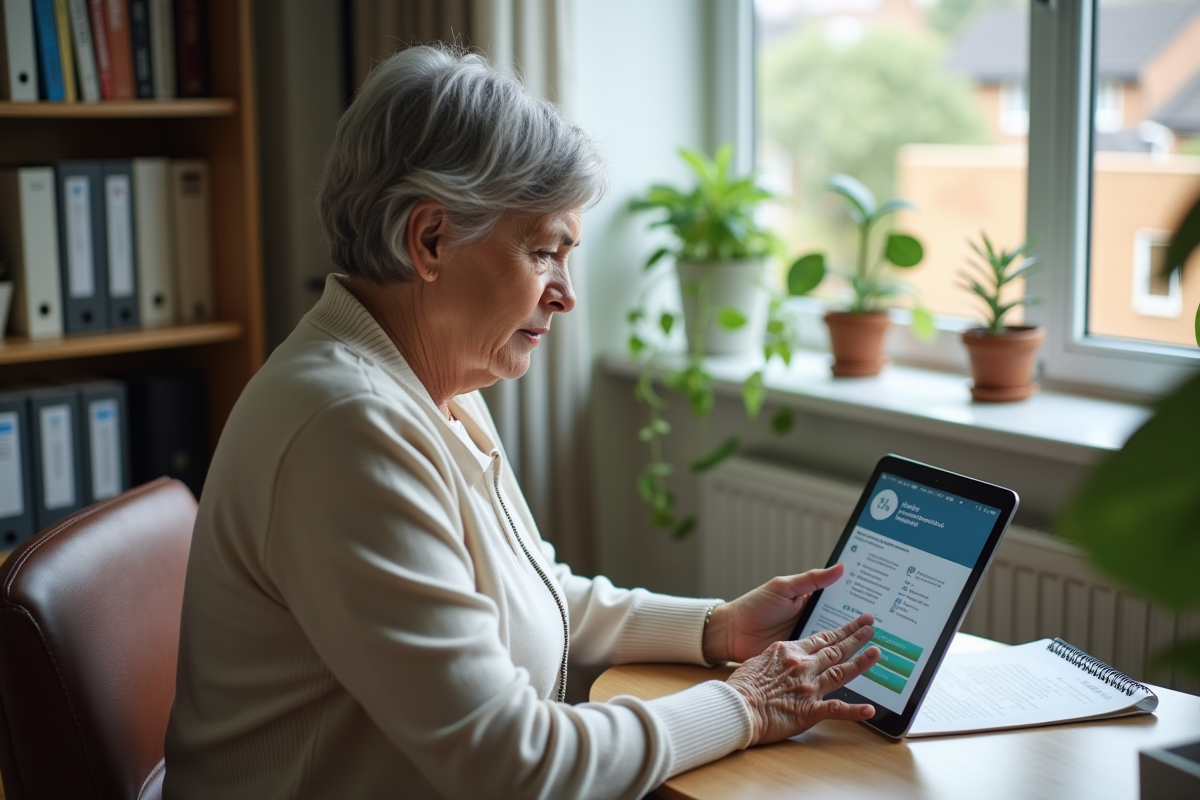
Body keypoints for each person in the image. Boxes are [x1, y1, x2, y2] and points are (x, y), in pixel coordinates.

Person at [162, 44, 881, 800]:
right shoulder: (348, 428)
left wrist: (716, 628)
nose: (565, 294)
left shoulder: (430, 382)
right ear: (429, 240)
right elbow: (510, 762)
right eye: (544, 252)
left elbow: (528, 595)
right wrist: (745, 703)